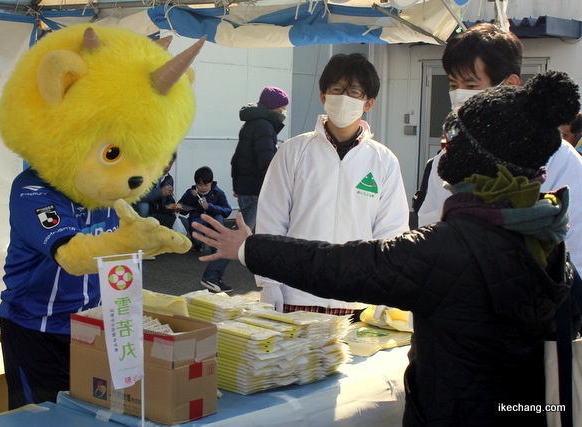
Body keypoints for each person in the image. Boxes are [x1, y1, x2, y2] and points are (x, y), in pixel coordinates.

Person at [193, 71, 581, 426]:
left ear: (472, 160)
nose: (444, 148)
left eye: (452, 141)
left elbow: (345, 266)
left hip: (453, 413)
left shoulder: (449, 246)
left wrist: (249, 248)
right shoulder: (547, 237)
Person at [416, 23, 582, 272]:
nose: (460, 95)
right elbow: (429, 228)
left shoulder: (559, 157)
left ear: (511, 84)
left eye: (471, 86)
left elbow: (573, 250)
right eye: (453, 85)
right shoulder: (448, 155)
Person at [255, 53, 409, 316]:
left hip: (357, 299)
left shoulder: (383, 161)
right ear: (323, 96)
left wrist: (388, 288)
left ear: (368, 103)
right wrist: (269, 283)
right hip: (297, 293)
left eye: (354, 92)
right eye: (336, 89)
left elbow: (391, 231)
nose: (343, 97)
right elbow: (271, 220)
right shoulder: (294, 151)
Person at [231, 86, 289, 231]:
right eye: (282, 108)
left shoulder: (252, 123)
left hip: (247, 187)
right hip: (256, 188)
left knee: (247, 228)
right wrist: (277, 185)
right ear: (273, 107)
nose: (284, 111)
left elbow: (238, 158)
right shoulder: (264, 127)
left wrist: (238, 186)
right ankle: (224, 253)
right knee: (243, 232)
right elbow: (266, 162)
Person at [179, 166, 233, 292]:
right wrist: (190, 197)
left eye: (206, 184)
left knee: (219, 219)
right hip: (197, 220)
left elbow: (227, 210)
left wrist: (210, 207)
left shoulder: (218, 193)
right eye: (200, 184)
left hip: (213, 219)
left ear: (211, 182)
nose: (203, 187)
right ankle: (197, 245)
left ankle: (216, 248)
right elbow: (181, 207)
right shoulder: (191, 192)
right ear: (196, 183)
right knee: (197, 240)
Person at [132, 153, 189, 233]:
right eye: (164, 161)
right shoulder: (145, 175)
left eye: (170, 163)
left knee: (184, 223)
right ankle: (140, 235)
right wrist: (159, 192)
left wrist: (173, 208)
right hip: (143, 215)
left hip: (158, 215)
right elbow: (137, 197)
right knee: (144, 206)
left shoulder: (169, 179)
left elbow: (167, 202)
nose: (166, 166)